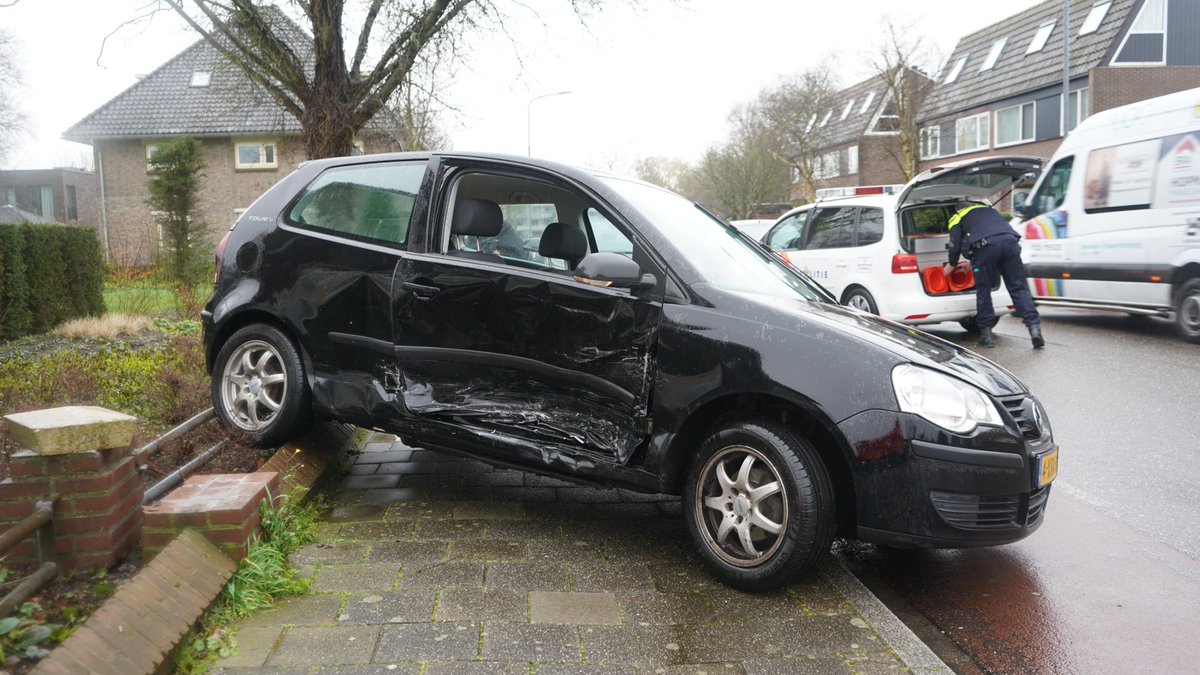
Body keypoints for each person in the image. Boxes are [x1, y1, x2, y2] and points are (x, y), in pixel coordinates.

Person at [944, 203, 1044, 349]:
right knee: (1019, 288)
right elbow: (995, 239)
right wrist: (973, 262)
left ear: (955, 209)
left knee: (984, 290)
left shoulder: (956, 217)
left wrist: (949, 267)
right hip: (1011, 243)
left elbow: (955, 246)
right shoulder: (989, 211)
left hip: (986, 248)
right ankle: (1035, 330)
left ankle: (986, 336)